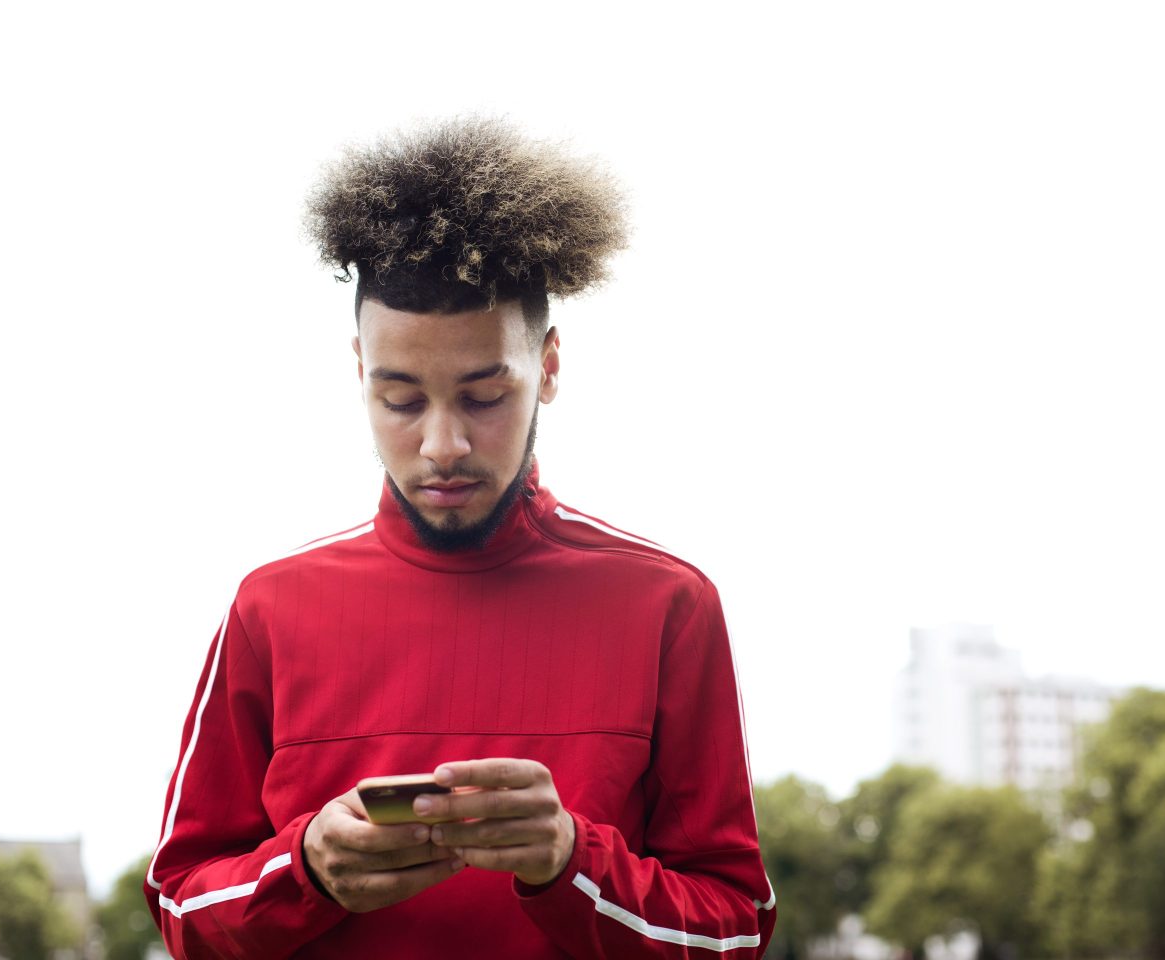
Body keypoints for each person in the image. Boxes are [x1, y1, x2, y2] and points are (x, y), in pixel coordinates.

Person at [144, 118, 775, 959]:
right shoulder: (269, 607)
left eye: (483, 396)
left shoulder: (669, 604)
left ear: (548, 367)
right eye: (401, 400)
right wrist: (305, 870)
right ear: (359, 372)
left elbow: (735, 931)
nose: (443, 445)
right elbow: (181, 913)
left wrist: (570, 863)